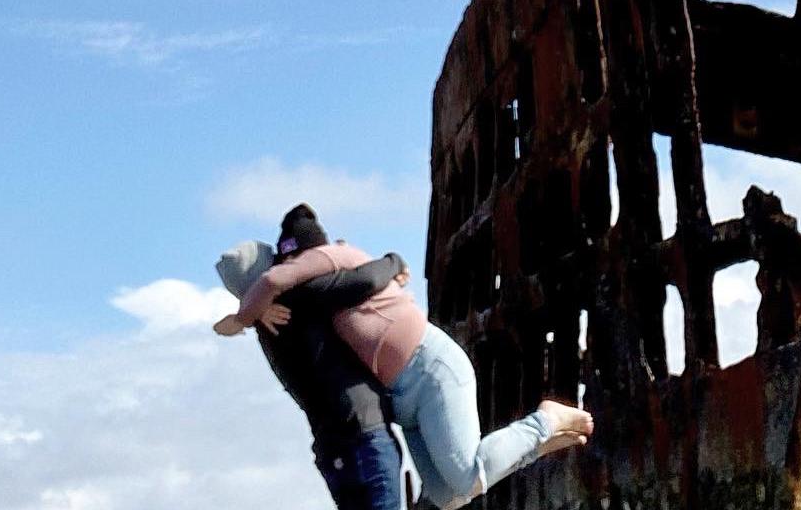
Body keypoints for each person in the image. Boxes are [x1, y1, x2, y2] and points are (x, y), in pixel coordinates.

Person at [216, 204, 593, 510]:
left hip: (429, 369)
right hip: (402, 400)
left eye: (294, 261)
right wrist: (393, 263)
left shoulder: (327, 269)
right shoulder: (307, 297)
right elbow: (289, 287)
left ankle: (545, 420)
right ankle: (537, 443)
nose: (291, 269)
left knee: (466, 476)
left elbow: (288, 283)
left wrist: (242, 317)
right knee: (451, 496)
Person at [216, 238, 409, 510]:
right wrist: (394, 262)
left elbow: (224, 326)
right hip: (362, 434)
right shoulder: (299, 301)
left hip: (331, 446)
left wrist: (247, 313)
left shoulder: (265, 324)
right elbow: (364, 281)